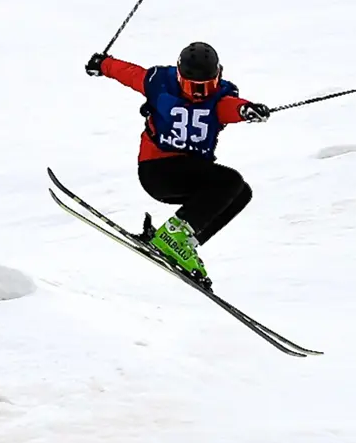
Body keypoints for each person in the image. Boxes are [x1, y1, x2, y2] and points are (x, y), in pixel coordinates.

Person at [84, 41, 271, 283]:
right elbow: (130, 73)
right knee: (230, 181)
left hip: (187, 174)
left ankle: (184, 245)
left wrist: (246, 110)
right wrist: (104, 64)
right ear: (179, 77)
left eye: (206, 86)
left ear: (218, 77)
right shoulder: (160, 83)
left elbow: (230, 107)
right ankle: (172, 236)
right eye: (192, 86)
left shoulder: (219, 99)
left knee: (241, 193)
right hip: (157, 171)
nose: (198, 93)